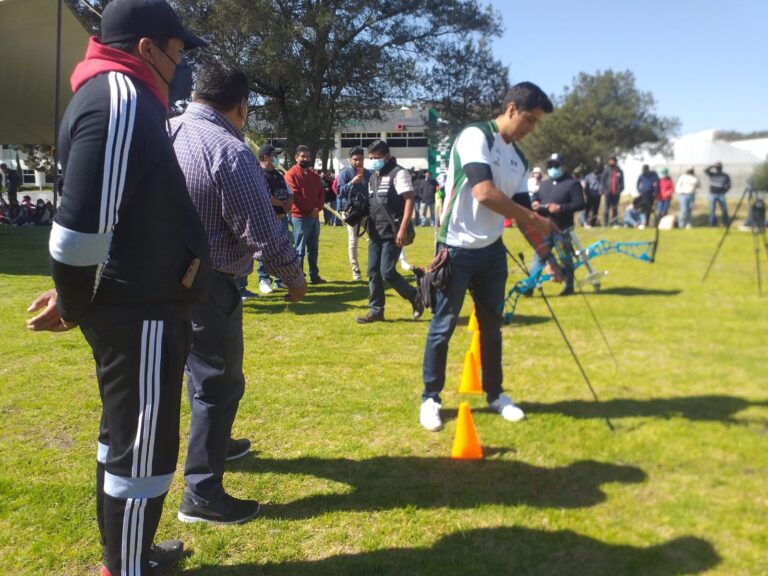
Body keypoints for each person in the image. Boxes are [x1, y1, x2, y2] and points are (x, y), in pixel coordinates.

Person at [26, 1, 211, 574]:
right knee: (143, 454)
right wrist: (76, 301)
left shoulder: (121, 97)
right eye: (177, 52)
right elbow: (77, 235)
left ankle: (127, 555)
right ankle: (127, 568)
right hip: (142, 315)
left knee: (125, 438)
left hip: (139, 309)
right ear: (146, 50)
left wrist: (75, 296)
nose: (182, 66)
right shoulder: (122, 101)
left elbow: (108, 221)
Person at [170, 63, 306, 525]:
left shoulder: (165, 130)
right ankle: (202, 494)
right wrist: (293, 276)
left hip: (163, 280)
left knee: (196, 374)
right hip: (210, 284)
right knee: (218, 383)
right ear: (242, 105)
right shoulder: (229, 150)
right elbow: (262, 232)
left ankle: (218, 445)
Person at [420, 82, 554, 431]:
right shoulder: (474, 136)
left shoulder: (520, 159)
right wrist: (534, 218)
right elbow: (484, 193)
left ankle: (496, 395)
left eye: (536, 123)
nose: (531, 128)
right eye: (529, 119)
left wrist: (545, 251)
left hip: (492, 253)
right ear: (511, 109)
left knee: (492, 328)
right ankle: (430, 399)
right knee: (443, 325)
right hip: (455, 248)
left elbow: (523, 211)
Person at [356, 139, 424, 324]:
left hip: (393, 231)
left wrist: (403, 228)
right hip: (375, 232)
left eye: (376, 157)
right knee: (372, 271)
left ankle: (415, 296)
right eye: (370, 157)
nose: (373, 160)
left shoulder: (399, 173)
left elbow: (409, 200)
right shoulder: (372, 177)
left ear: (387, 156)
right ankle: (376, 311)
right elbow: (372, 203)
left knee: (386, 271)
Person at [531, 153, 585, 296]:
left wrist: (560, 208)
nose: (553, 168)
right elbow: (535, 198)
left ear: (564, 166)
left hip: (562, 230)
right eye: (550, 165)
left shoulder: (572, 183)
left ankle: (569, 286)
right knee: (538, 257)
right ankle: (530, 287)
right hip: (544, 230)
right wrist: (534, 203)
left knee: (565, 258)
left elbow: (580, 204)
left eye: (556, 165)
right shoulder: (544, 184)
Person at [254, 144, 294, 294]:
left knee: (282, 249)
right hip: (267, 218)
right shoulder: (258, 174)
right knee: (266, 250)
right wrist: (282, 203)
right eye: (274, 155)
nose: (277, 158)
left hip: (282, 218)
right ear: (266, 157)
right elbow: (264, 196)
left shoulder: (279, 174)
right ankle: (264, 279)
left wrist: (289, 200)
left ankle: (280, 279)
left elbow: (289, 192)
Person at [285, 145, 327, 283]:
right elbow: (295, 196)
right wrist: (310, 210)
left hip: (314, 217)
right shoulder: (290, 175)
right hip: (300, 218)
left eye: (307, 156)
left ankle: (314, 275)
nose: (305, 159)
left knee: (313, 249)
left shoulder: (314, 175)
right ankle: (298, 277)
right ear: (296, 158)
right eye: (302, 156)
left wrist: (317, 209)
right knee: (299, 250)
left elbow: (322, 193)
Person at [336, 146, 370, 280]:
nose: (358, 162)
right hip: (351, 212)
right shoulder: (345, 173)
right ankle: (355, 270)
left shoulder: (368, 173)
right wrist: (351, 182)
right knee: (353, 241)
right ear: (350, 160)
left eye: (360, 159)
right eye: (355, 159)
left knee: (373, 239)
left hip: (366, 211)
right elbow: (339, 192)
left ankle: (371, 267)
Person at [705, 161, 731, 226]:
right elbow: (705, 170)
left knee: (724, 209)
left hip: (721, 194)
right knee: (712, 209)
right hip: (712, 194)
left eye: (719, 167)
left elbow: (729, 185)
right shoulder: (712, 174)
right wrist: (712, 166)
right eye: (717, 167)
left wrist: (725, 191)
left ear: (721, 168)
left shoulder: (725, 175)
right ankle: (712, 223)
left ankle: (726, 223)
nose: (718, 168)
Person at [601, 156, 624, 227]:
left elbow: (622, 182)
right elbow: (603, 180)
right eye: (610, 160)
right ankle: (605, 223)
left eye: (612, 161)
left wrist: (620, 189)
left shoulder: (620, 171)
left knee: (614, 208)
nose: (611, 162)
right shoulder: (606, 170)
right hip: (608, 192)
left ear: (615, 162)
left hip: (616, 193)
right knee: (607, 208)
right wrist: (604, 190)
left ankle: (614, 223)